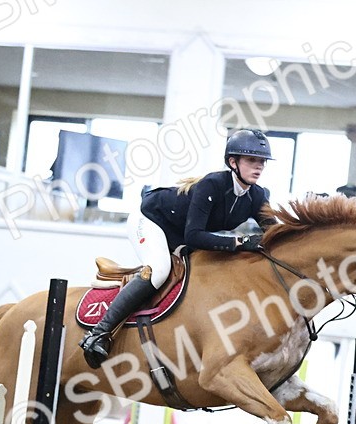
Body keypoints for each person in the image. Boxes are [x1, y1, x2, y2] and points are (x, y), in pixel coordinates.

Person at [79, 129, 275, 368]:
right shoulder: (212, 185)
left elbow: (275, 234)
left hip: (182, 233)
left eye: (262, 162)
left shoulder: (257, 196)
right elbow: (193, 237)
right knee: (160, 270)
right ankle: (99, 333)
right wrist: (240, 243)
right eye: (251, 160)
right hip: (152, 221)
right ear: (233, 162)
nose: (259, 167)